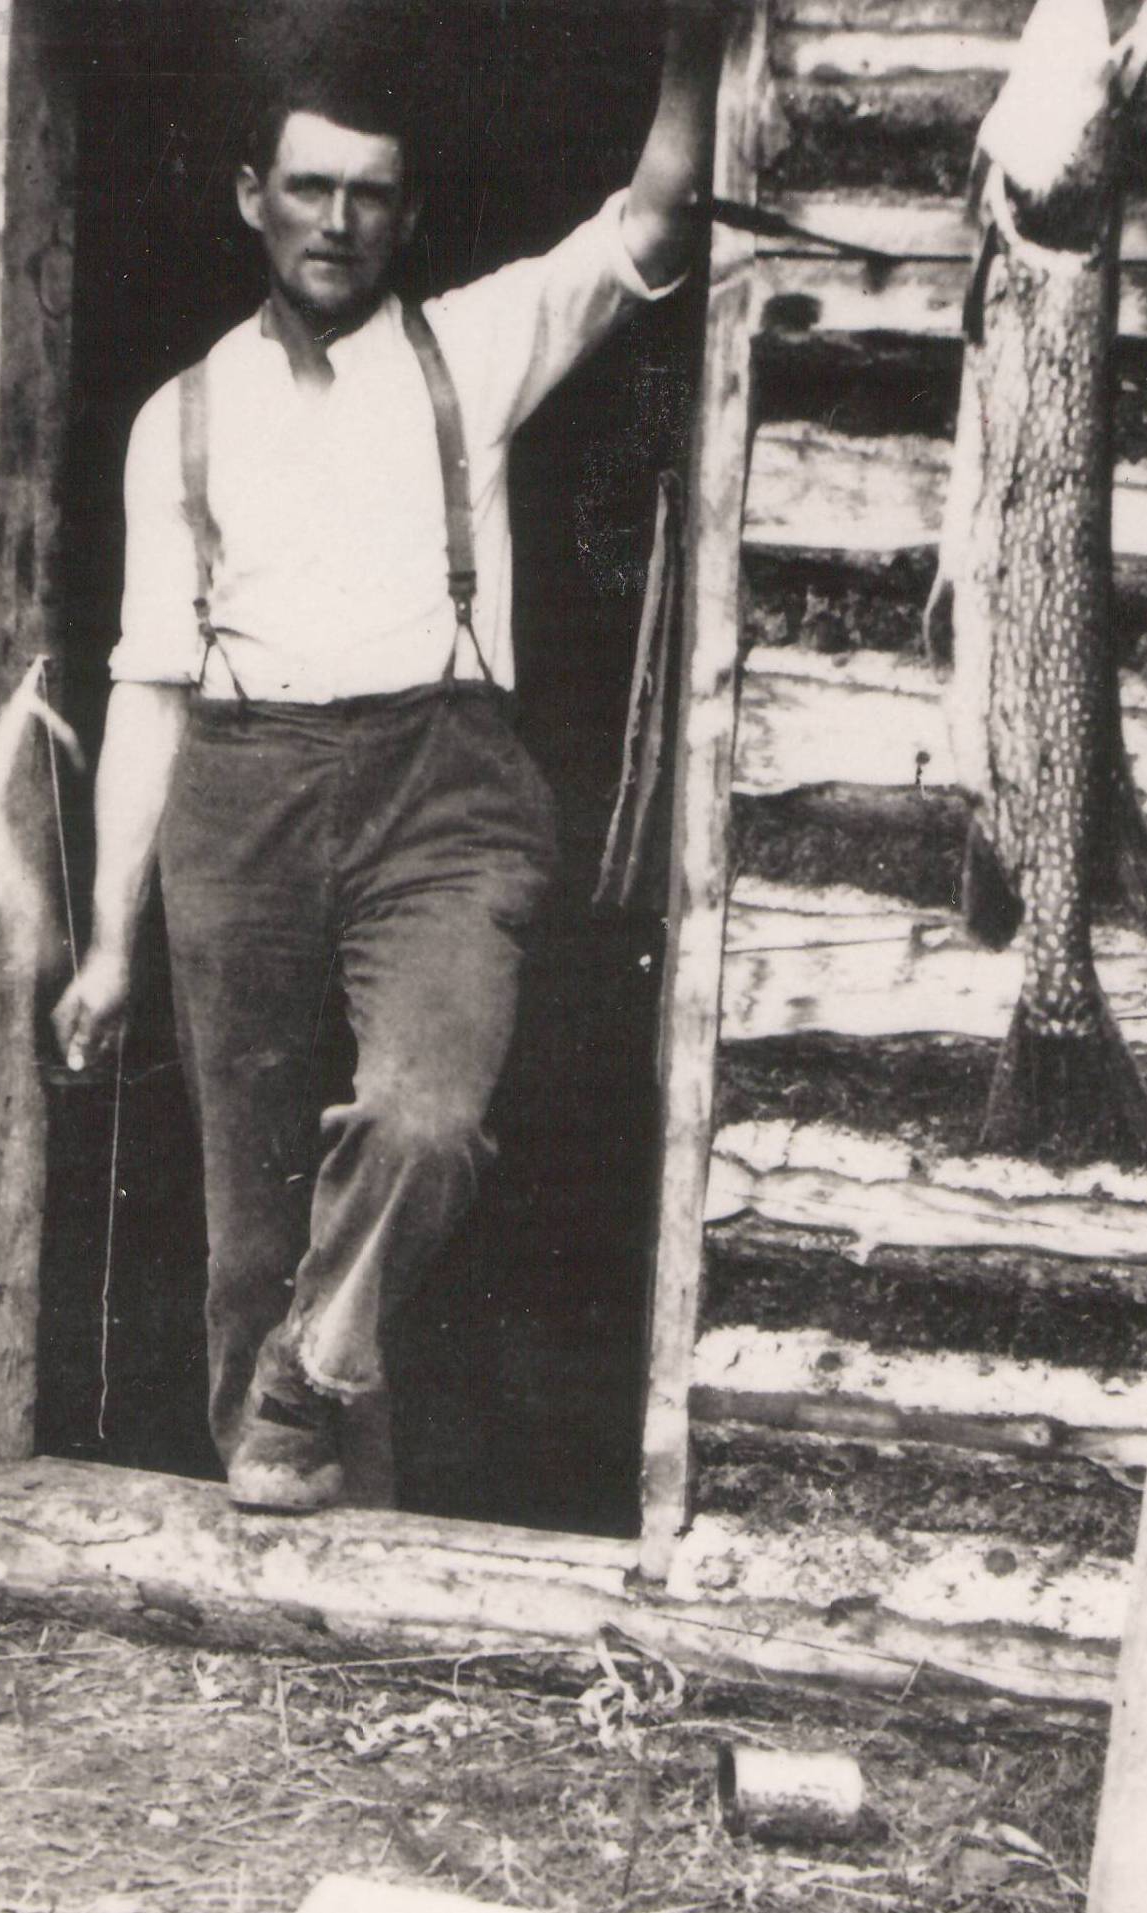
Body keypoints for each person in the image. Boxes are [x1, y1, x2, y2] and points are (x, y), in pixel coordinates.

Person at [51, 3, 729, 1514]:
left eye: (368, 194)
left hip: (444, 796)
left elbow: (658, 219)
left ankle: (313, 1377)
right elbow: (147, 689)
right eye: (309, 187)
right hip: (237, 801)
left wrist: (692, 42)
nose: (337, 221)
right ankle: (296, 1522)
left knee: (424, 1122)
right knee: (252, 1225)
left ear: (406, 213)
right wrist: (107, 943)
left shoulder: (472, 344)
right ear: (252, 198)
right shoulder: (182, 421)